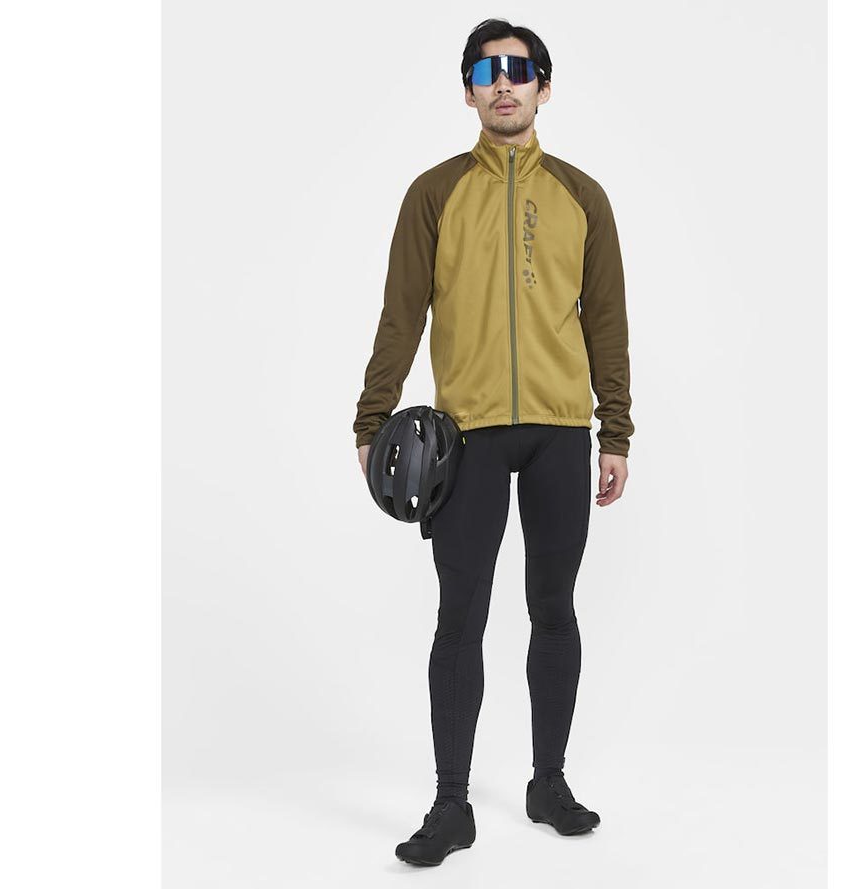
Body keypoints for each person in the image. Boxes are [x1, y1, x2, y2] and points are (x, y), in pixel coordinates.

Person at [353, 18, 634, 866]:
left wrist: (615, 429)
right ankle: (452, 805)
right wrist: (372, 418)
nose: (503, 82)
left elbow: (608, 320)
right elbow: (402, 313)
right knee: (460, 617)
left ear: (544, 86)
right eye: (486, 71)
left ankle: (549, 782)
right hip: (466, 437)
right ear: (469, 91)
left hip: (558, 432)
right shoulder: (434, 194)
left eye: (518, 69)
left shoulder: (583, 196)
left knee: (554, 607)